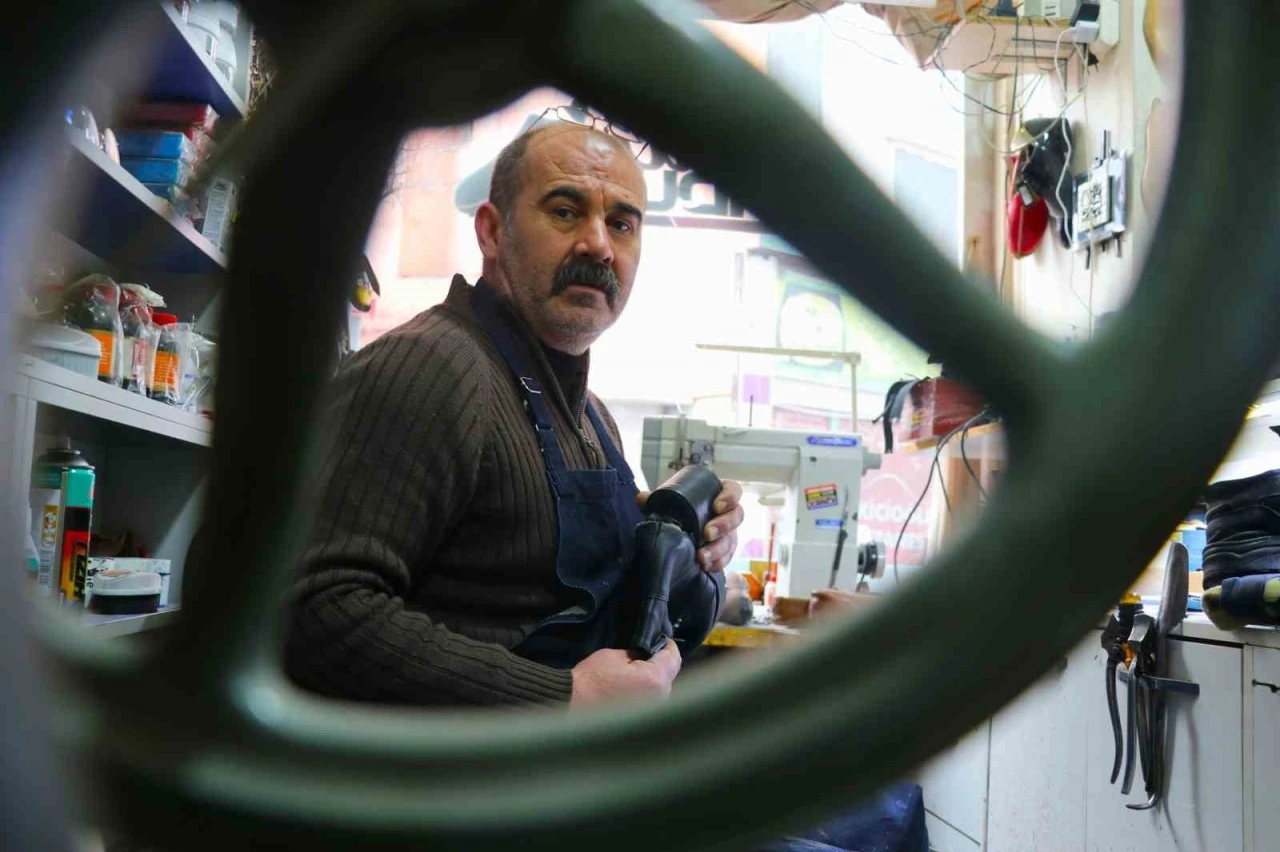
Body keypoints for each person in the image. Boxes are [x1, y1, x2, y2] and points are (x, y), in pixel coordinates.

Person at [285, 118, 746, 708]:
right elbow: (312, 611)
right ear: (492, 231)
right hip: (447, 768)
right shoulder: (429, 369)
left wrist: (693, 555)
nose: (598, 245)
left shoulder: (593, 418)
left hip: (555, 762)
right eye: (565, 211)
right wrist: (564, 697)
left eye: (621, 224)